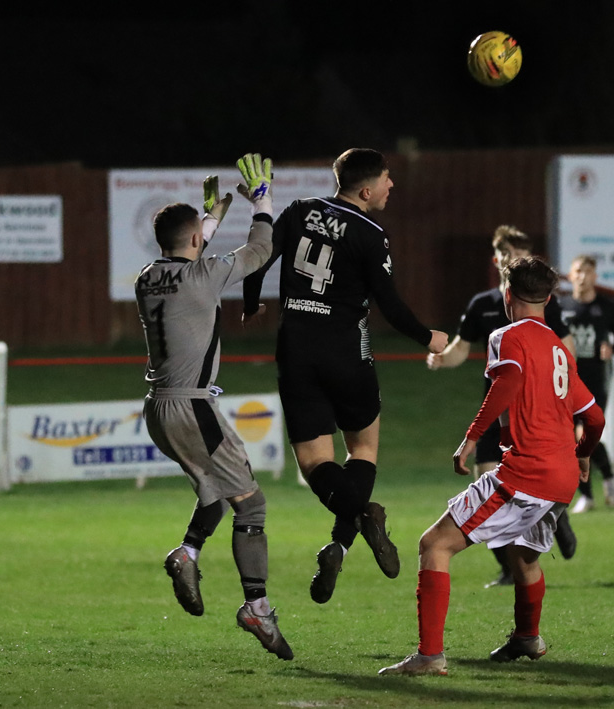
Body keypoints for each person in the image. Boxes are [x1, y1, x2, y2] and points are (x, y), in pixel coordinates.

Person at [379, 256, 605, 676]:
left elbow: (508, 383)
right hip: (562, 477)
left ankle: (429, 656)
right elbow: (594, 418)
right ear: (550, 299)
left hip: (526, 472)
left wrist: (469, 439)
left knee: (434, 545)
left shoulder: (505, 335)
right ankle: (527, 638)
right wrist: (585, 453)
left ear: (507, 296)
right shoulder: (560, 348)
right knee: (524, 556)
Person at [241, 148, 449, 605]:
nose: (392, 186)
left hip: (296, 350)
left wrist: (251, 302)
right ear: (367, 189)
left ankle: (344, 535)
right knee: (364, 448)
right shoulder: (372, 233)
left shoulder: (298, 211)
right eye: (388, 180)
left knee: (317, 464)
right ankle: (355, 525)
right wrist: (427, 336)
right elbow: (389, 305)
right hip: (346, 352)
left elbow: (258, 257)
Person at [136, 154, 292, 659]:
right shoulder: (204, 276)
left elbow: (188, 248)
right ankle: (257, 607)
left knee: (213, 493)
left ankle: (188, 551)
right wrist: (262, 197)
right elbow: (262, 249)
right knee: (252, 504)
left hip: (158, 407)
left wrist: (208, 219)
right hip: (192, 408)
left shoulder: (146, 276)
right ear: (198, 240)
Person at [426, 225, 578, 587]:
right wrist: (441, 359)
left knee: (515, 485)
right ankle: (512, 568)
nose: (516, 260)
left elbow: (566, 350)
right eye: (510, 254)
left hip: (532, 414)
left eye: (522, 254)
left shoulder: (541, 302)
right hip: (497, 411)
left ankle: (552, 521)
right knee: (489, 484)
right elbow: (462, 348)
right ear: (497, 259)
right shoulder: (484, 305)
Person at [558, 254, 614, 512]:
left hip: (596, 380)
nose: (582, 276)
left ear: (595, 276)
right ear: (571, 275)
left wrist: (611, 348)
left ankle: (593, 490)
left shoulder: (606, 307)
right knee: (571, 440)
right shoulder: (561, 306)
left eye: (588, 271)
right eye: (578, 271)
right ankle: (596, 486)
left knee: (583, 436)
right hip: (565, 382)